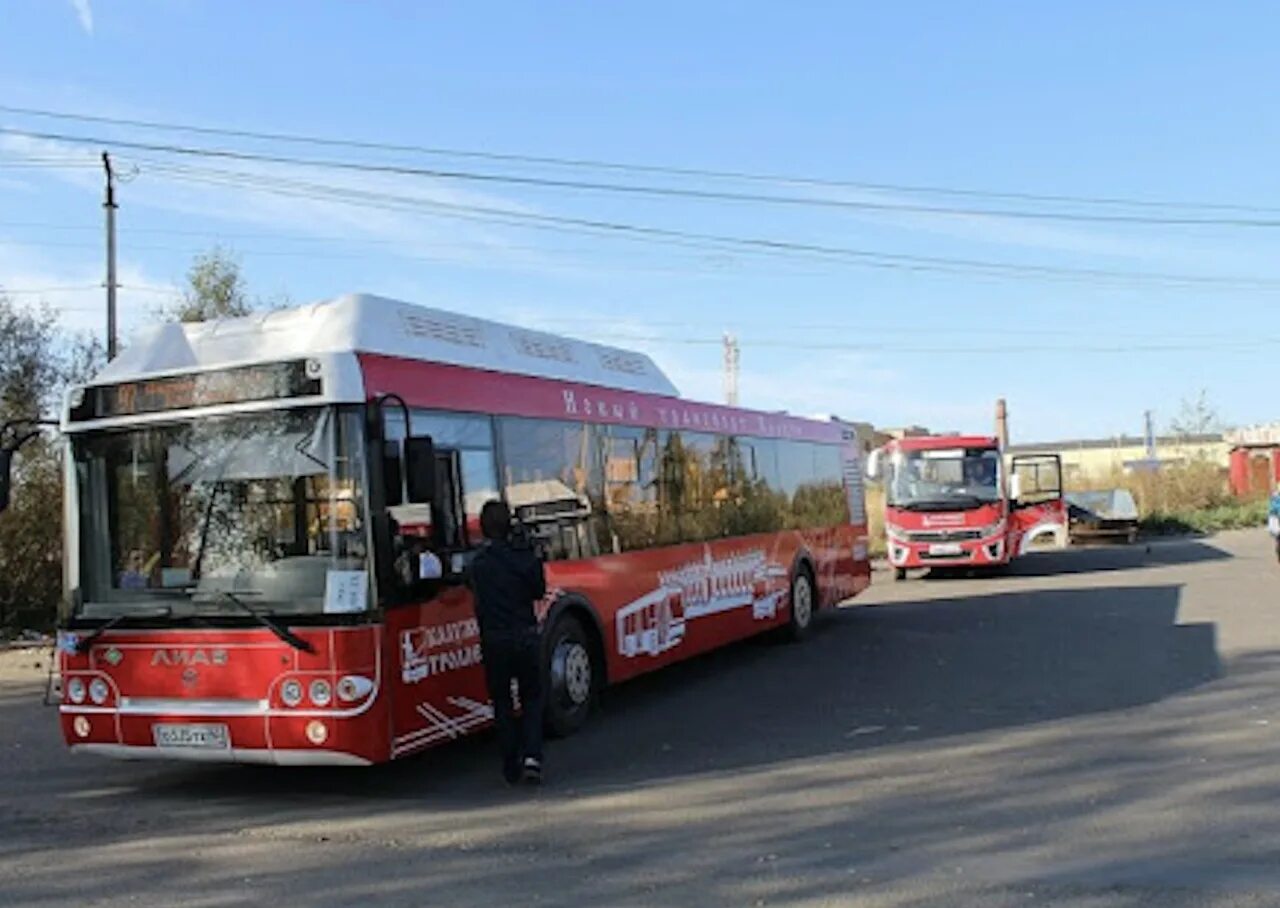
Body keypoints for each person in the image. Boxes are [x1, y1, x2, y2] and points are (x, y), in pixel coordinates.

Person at [469, 499, 548, 786]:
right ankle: (533, 757)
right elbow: (539, 591)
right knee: (532, 698)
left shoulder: (479, 564)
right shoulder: (525, 558)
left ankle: (509, 764)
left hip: (494, 640)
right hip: (525, 636)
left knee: (501, 701)